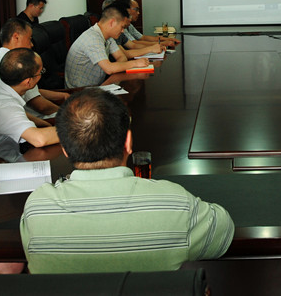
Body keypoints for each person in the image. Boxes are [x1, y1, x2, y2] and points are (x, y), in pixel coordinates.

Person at [20, 88, 234, 273]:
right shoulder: (176, 203)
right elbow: (224, 230)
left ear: (65, 150)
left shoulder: (37, 208)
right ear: (129, 142)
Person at [0, 48, 59, 161]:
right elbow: (39, 139)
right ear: (28, 82)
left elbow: (17, 116)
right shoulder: (3, 106)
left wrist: (44, 124)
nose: (41, 75)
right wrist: (75, 129)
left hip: (4, 155)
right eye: (41, 72)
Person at [0, 19, 68, 118]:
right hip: (34, 120)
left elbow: (33, 92)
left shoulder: (3, 59)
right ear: (16, 37)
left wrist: (62, 95)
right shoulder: (15, 65)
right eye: (29, 39)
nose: (32, 44)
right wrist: (68, 114)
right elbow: (40, 106)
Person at [64, 2, 150, 88]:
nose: (123, 31)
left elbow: (121, 56)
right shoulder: (93, 38)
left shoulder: (107, 36)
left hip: (98, 86)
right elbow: (109, 69)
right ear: (112, 22)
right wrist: (135, 63)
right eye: (122, 27)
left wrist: (116, 68)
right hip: (80, 91)